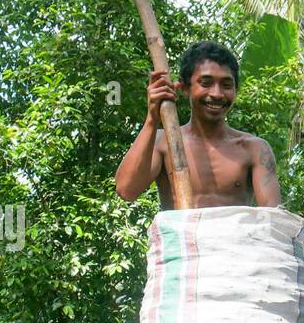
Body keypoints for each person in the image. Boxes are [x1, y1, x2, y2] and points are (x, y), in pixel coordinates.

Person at [115, 40, 280, 208]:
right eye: (206, 83)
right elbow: (126, 191)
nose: (217, 94)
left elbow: (272, 218)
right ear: (184, 87)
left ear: (236, 90)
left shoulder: (255, 149)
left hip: (236, 235)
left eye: (226, 85)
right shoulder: (163, 143)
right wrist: (152, 119)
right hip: (180, 235)